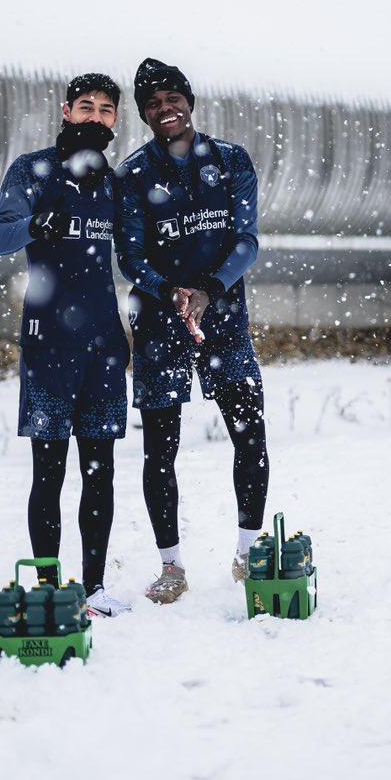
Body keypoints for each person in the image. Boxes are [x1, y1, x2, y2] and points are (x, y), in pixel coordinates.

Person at [114, 58, 269, 604]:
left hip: (223, 318)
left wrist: (209, 288)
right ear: (144, 114)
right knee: (160, 449)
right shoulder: (132, 174)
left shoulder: (229, 161)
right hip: (160, 322)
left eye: (172, 97)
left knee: (249, 435)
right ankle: (171, 566)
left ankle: (250, 552)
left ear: (190, 101)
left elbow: (246, 241)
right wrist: (170, 292)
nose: (165, 108)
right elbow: (129, 255)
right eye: (153, 102)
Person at [0, 73, 130, 616]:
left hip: (104, 348)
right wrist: (36, 223)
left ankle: (93, 589)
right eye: (86, 107)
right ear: (67, 110)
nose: (95, 117)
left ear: (115, 120)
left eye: (106, 110)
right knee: (49, 472)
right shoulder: (33, 170)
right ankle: (48, 585)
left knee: (101, 471)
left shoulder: (113, 185)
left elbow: (136, 254)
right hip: (48, 348)